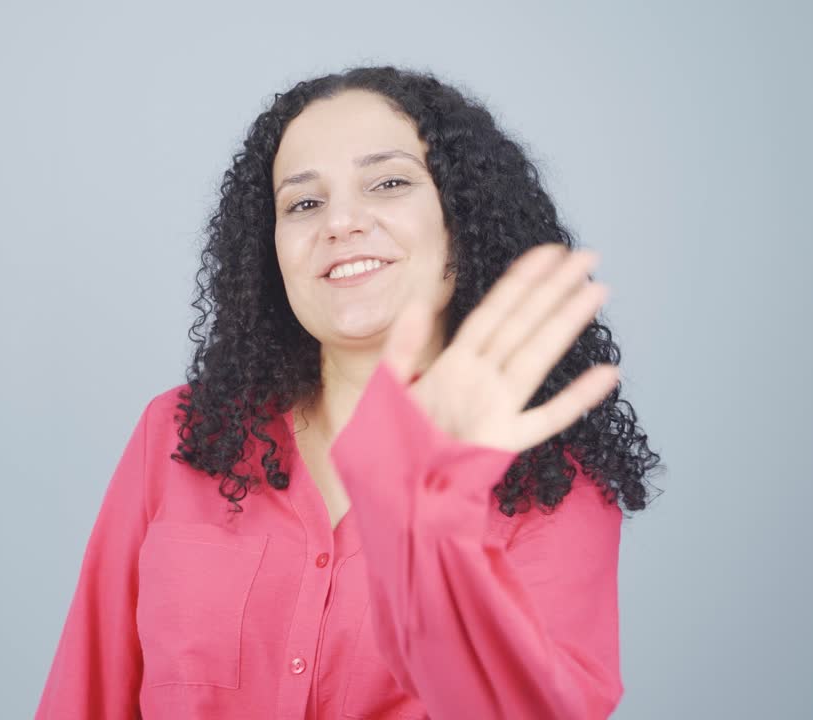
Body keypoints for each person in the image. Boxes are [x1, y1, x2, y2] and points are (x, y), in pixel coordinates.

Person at [34, 65, 662, 720]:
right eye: (303, 203)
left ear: (462, 216)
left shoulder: (554, 478)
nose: (340, 222)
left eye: (389, 183)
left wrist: (429, 538)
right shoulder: (178, 432)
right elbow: (83, 698)